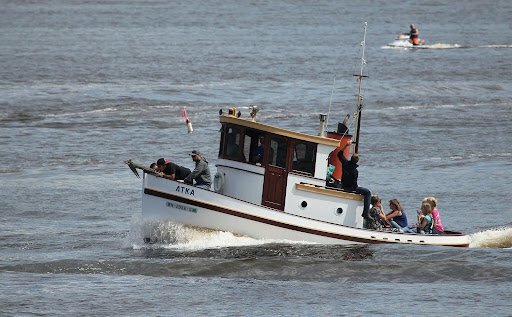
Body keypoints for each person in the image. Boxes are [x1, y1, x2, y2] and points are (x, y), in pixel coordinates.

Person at [337, 141, 372, 220]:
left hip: (343, 186)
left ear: (351, 158)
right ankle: (365, 213)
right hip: (350, 189)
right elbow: (354, 184)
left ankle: (365, 213)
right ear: (357, 161)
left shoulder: (345, 163)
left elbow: (339, 154)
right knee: (367, 192)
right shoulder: (355, 171)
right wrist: (357, 187)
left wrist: (346, 145)